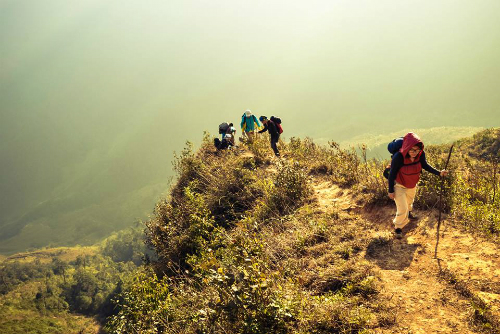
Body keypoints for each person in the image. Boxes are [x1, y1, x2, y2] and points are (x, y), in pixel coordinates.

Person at [388, 132, 448, 239]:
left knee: (409, 202)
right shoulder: (399, 157)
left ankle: (409, 214)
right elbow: (392, 173)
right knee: (402, 208)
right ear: (407, 147)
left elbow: (425, 166)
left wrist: (439, 173)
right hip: (399, 185)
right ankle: (398, 228)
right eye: (412, 150)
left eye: (417, 150)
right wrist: (391, 190)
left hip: (412, 184)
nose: (414, 152)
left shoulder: (420, 155)